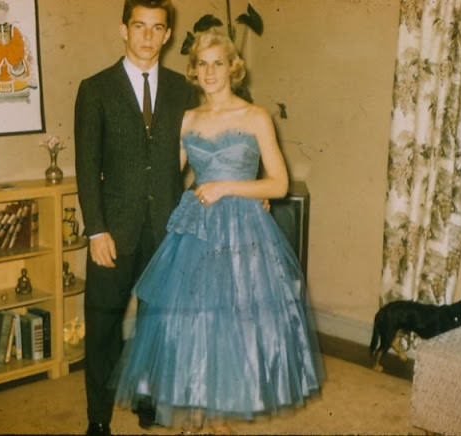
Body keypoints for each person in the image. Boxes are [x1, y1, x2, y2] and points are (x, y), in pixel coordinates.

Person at [112, 28, 323, 433]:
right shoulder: (187, 119)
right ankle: (196, 415)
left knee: (233, 322)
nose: (210, 72)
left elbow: (278, 183)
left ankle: (218, 418)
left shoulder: (255, 116)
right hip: (196, 227)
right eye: (202, 63)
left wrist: (229, 187)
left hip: (242, 229)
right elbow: (166, 177)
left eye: (218, 63)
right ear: (193, 70)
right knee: (190, 322)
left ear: (233, 68)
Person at [73, 1, 196, 435]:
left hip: (166, 229)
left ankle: (148, 400)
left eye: (156, 28)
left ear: (167, 35)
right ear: (123, 30)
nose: (147, 36)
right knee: (103, 325)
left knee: (156, 325)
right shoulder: (96, 89)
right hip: (113, 231)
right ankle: (99, 419)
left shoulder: (185, 90)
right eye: (139, 26)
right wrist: (96, 230)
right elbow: (86, 167)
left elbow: (208, 145)